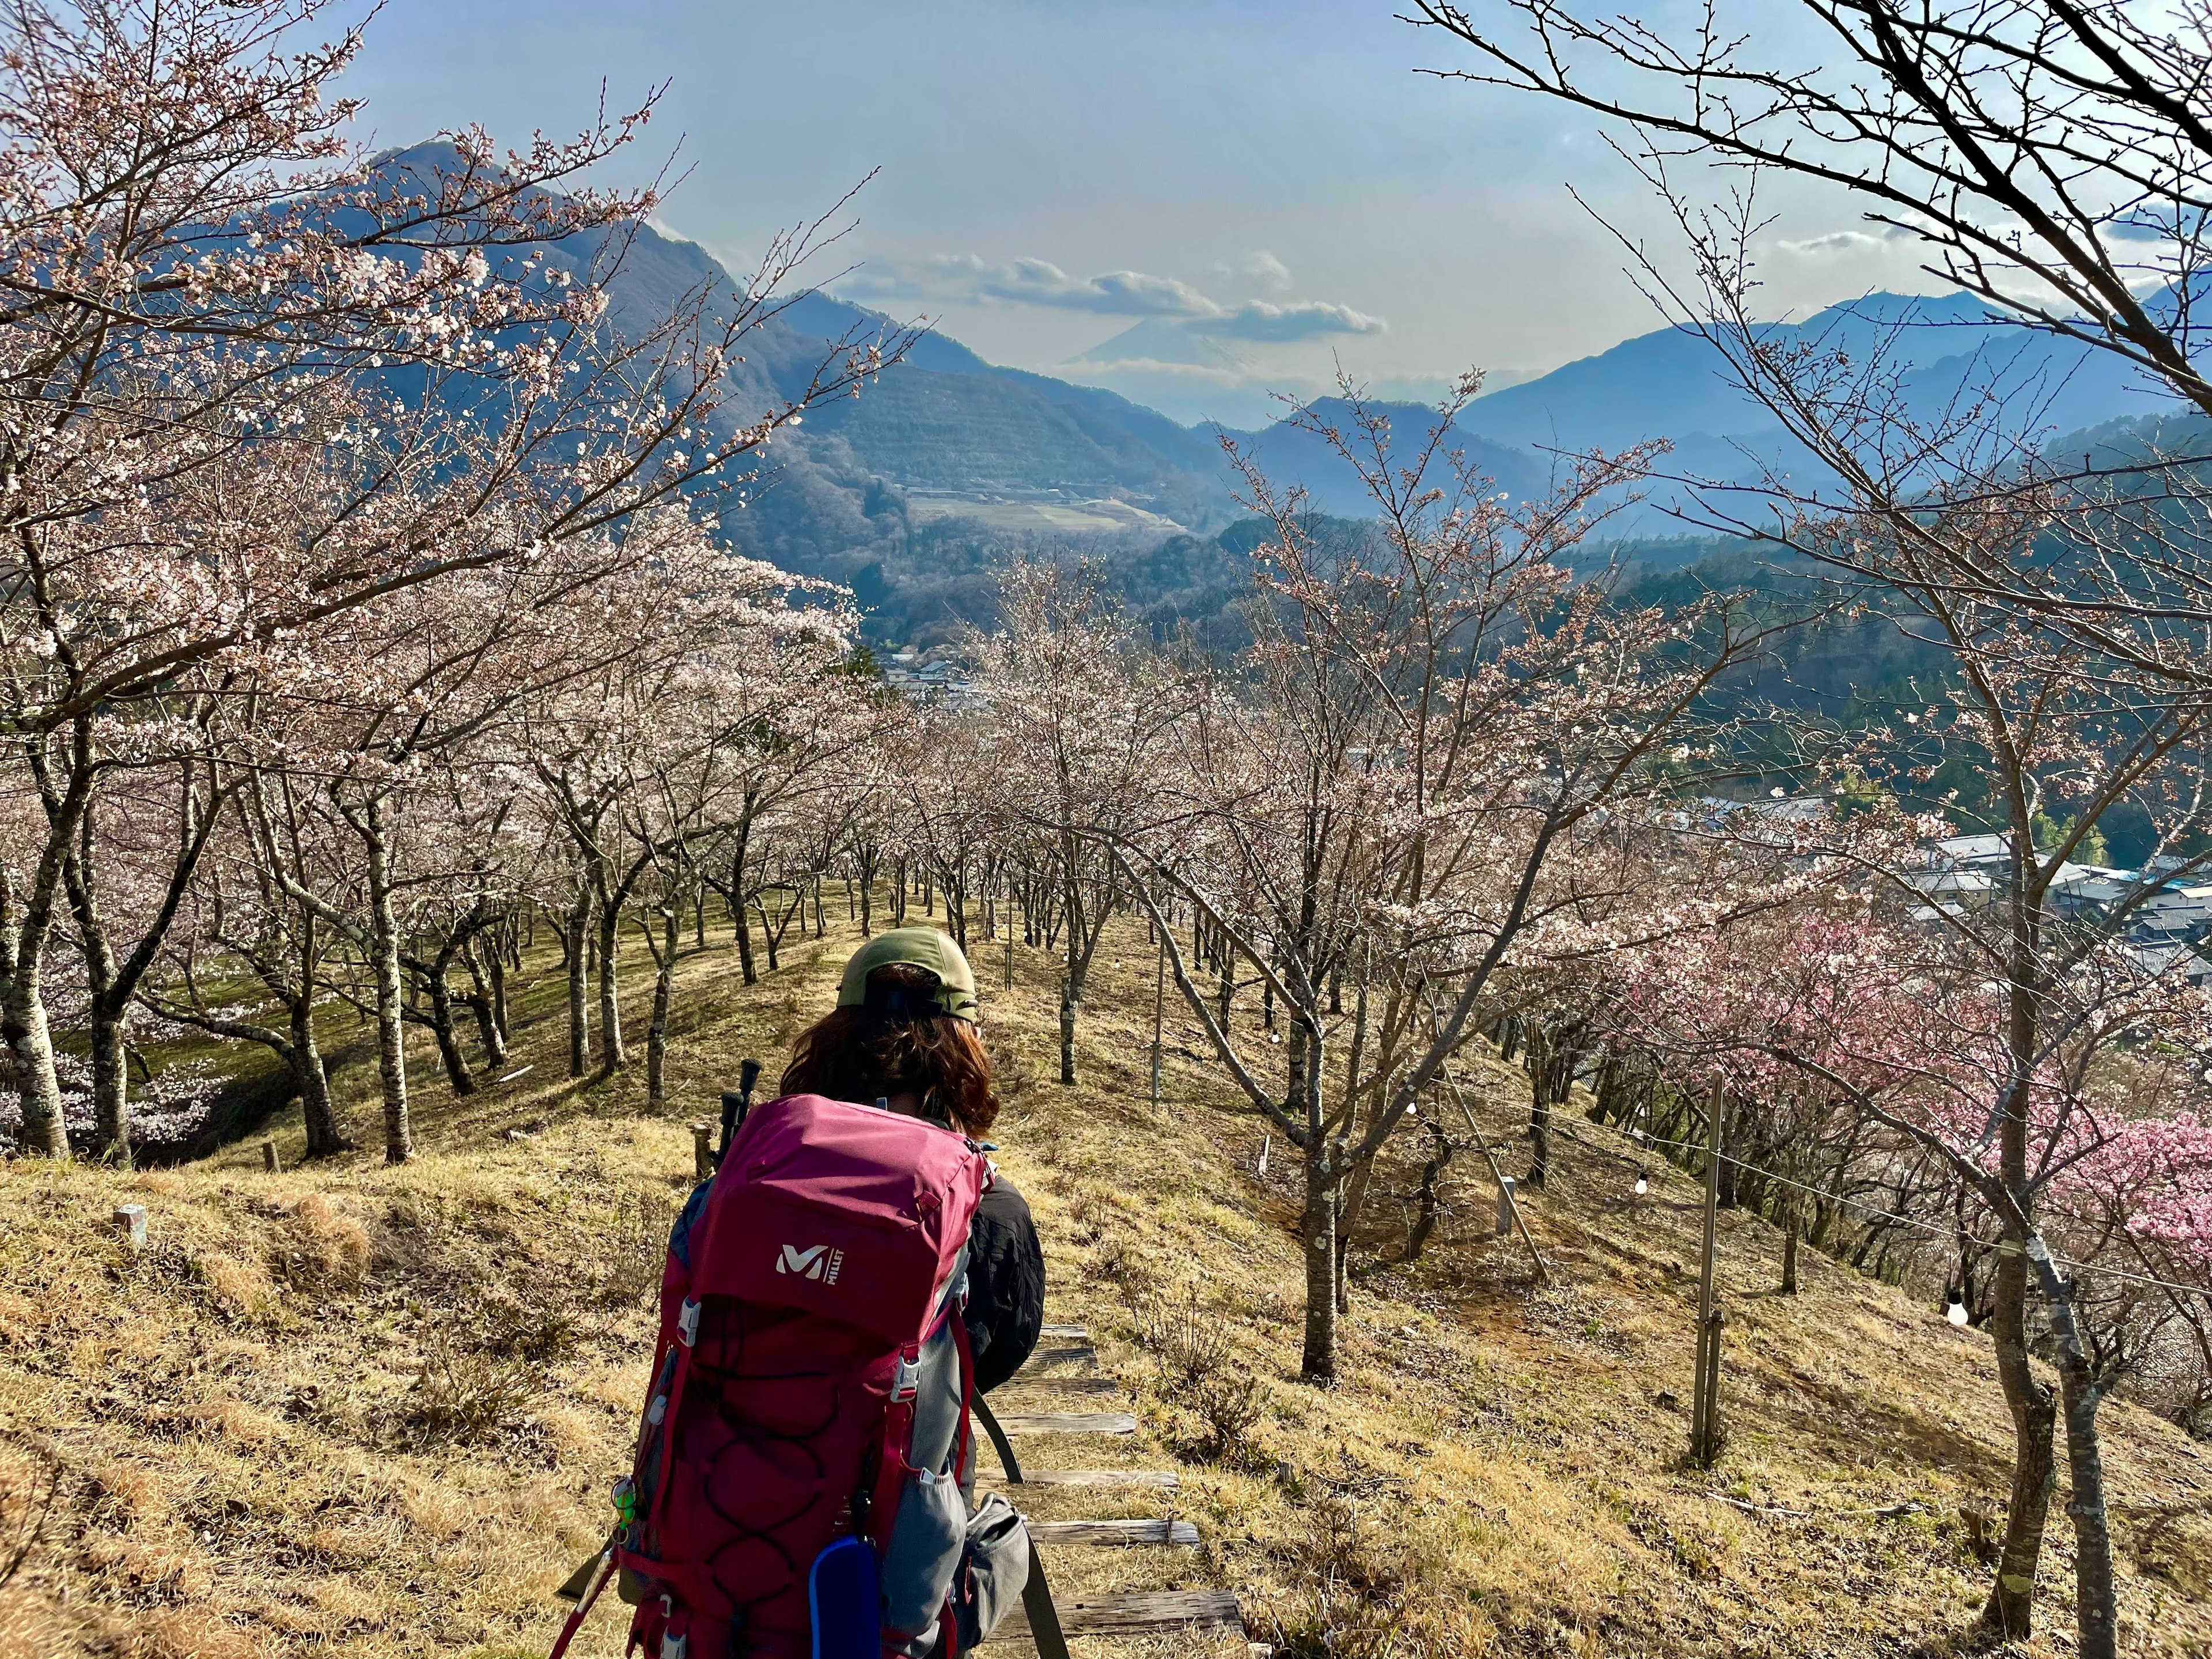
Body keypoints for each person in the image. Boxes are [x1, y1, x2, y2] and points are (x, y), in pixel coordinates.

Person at [775, 926, 1045, 1393]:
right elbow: (1004, 1346)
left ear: (835, 1035)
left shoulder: (769, 1159)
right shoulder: (989, 1207)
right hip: (907, 1459)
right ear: (968, 1043)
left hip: (725, 1454)